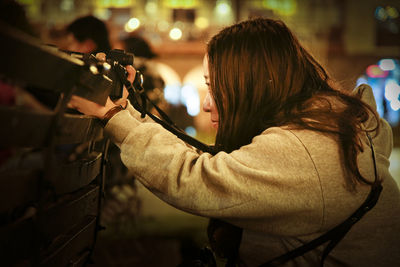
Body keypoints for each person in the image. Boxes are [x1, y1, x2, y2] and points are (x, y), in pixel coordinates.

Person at [68, 18, 400, 266]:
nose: (206, 104)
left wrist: (115, 118)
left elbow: (197, 179)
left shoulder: (308, 151)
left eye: (214, 87)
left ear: (253, 87)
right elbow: (211, 162)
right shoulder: (324, 131)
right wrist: (127, 110)